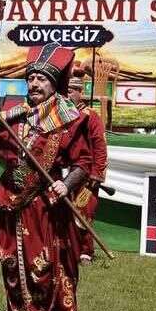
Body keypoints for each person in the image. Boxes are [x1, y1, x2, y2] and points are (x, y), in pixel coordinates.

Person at [0, 43, 92, 311]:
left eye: (42, 79)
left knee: (57, 264)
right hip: (13, 201)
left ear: (54, 84)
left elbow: (83, 162)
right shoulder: (14, 115)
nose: (35, 83)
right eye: (31, 78)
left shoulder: (69, 117)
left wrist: (67, 184)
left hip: (47, 204)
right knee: (13, 263)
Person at [66, 68, 108, 263]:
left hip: (87, 173)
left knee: (83, 210)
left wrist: (96, 174)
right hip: (65, 170)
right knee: (65, 212)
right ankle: (68, 249)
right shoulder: (59, 115)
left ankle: (85, 251)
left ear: (79, 92)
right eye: (65, 92)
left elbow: (100, 147)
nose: (67, 96)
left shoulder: (91, 116)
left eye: (71, 92)